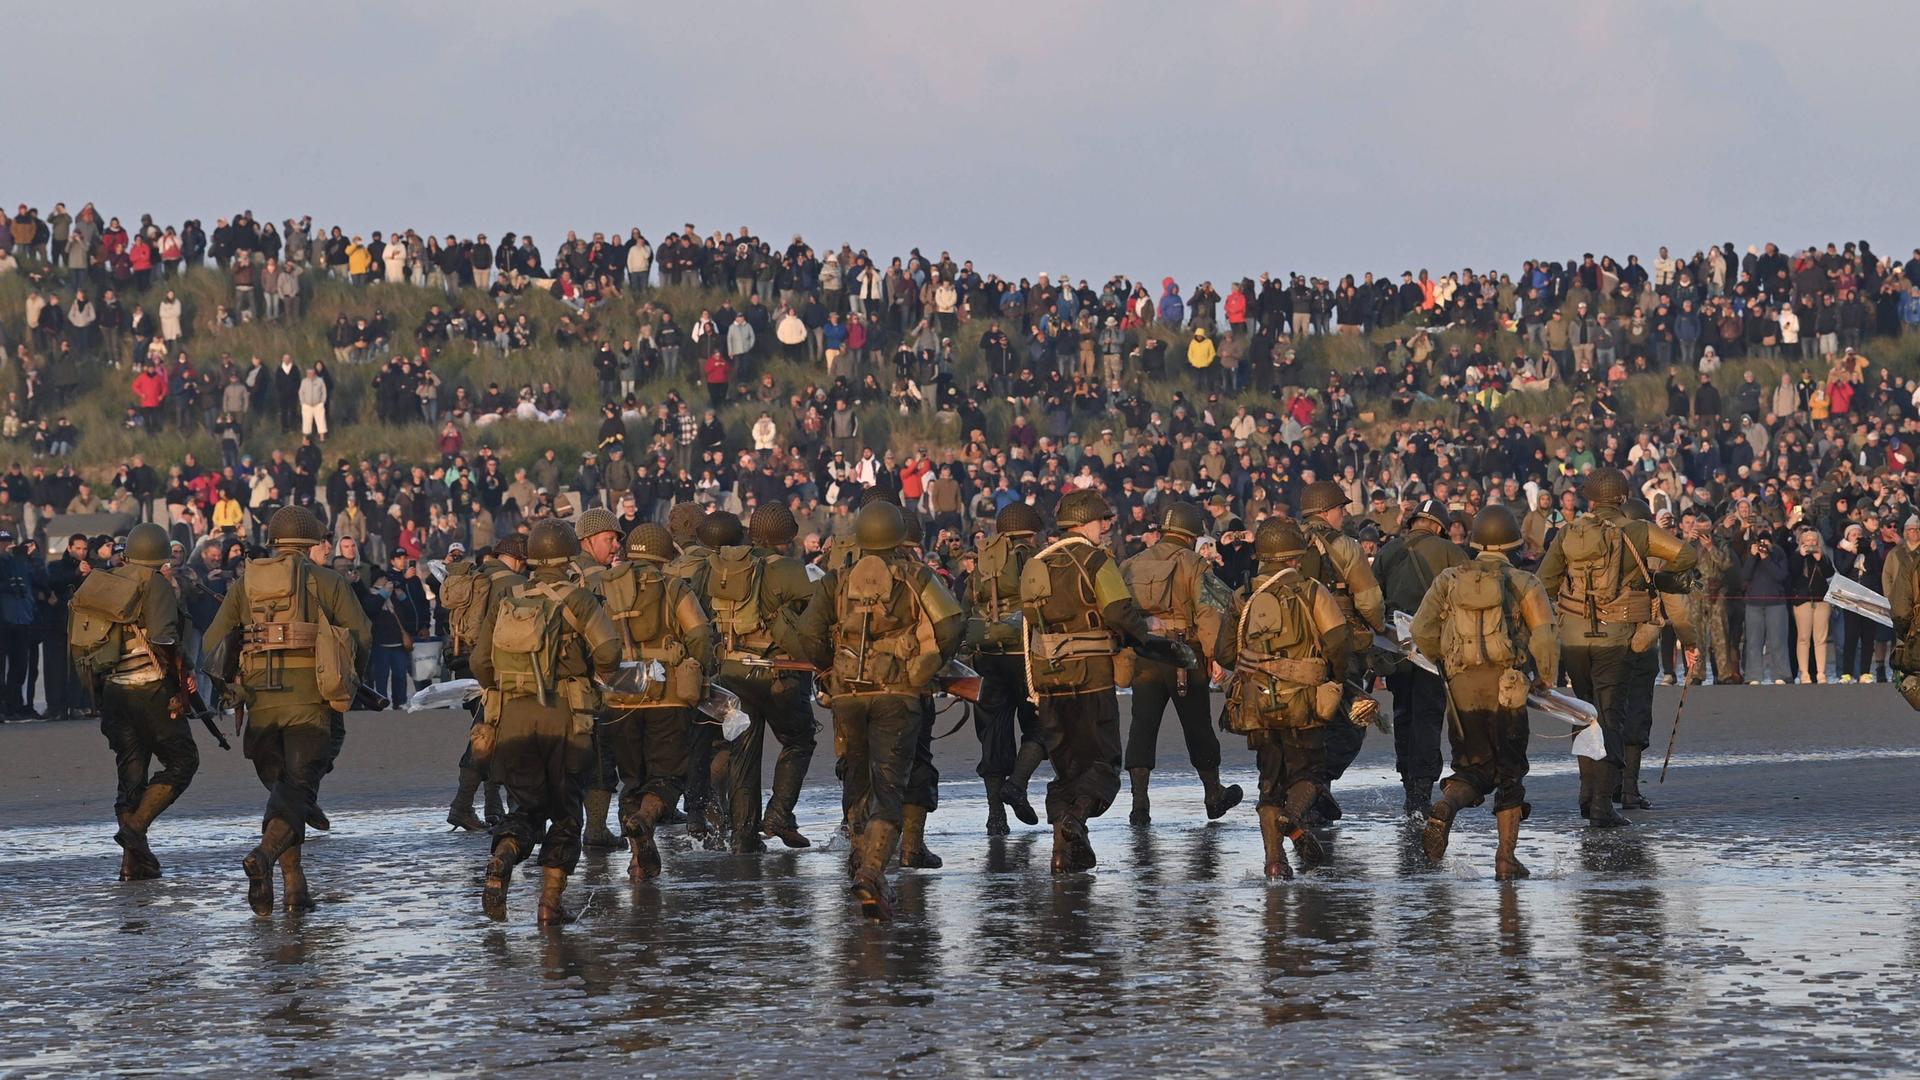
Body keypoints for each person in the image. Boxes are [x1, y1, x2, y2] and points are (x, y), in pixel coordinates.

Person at [781, 501, 963, 920]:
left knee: (857, 777)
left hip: (846, 696)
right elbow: (951, 624)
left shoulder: (837, 579)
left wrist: (830, 667)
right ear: (900, 536)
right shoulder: (917, 576)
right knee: (890, 786)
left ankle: (858, 860)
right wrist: (926, 669)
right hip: (898, 695)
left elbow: (807, 634)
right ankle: (872, 873)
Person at [202, 506, 372, 914]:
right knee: (297, 790)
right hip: (310, 704)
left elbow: (212, 641)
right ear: (312, 543)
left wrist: (231, 689)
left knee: (284, 793)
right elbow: (361, 636)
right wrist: (348, 681)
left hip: (258, 705)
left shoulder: (245, 585)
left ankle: (295, 888)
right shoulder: (328, 580)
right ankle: (262, 856)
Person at [1016, 490, 1191, 874]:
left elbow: (1028, 615)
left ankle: (1064, 854)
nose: (1107, 527)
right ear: (1082, 523)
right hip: (1090, 678)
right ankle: (1075, 819)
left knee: (1067, 768)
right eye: (1101, 521)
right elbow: (1117, 611)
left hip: (1048, 679)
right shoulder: (1096, 561)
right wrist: (1147, 632)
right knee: (1102, 763)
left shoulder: (1037, 563)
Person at [470, 520, 622, 924]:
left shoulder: (509, 597)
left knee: (526, 805)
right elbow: (609, 650)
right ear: (571, 553)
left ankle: (504, 855)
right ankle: (550, 903)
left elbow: (479, 663)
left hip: (511, 720)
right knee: (567, 811)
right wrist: (593, 674)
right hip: (565, 719)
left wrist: (505, 687)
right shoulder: (580, 598)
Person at [1536, 468, 1697, 828]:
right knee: (1611, 716)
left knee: (1582, 712)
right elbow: (1686, 556)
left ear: (1590, 500)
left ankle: (1584, 794)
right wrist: (1649, 579)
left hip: (1573, 638)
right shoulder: (1638, 531)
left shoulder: (1569, 532)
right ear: (1623, 498)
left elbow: (1544, 582)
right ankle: (1600, 807)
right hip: (1616, 636)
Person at [1411, 506, 1559, 880]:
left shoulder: (1449, 578)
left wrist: (1444, 661)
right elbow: (1544, 636)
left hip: (1460, 685)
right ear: (1512, 542)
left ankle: (1446, 805)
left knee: (1470, 766)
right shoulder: (1525, 582)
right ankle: (1505, 858)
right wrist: (1546, 677)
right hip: (1507, 686)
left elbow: (1422, 630)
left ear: (1475, 539)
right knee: (1510, 771)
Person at [67, 523, 200, 881]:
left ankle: (132, 864)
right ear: (159, 555)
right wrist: (182, 679)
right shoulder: (153, 583)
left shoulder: (107, 581)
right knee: (184, 760)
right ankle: (135, 829)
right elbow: (164, 640)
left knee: (131, 775)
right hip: (149, 689)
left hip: (112, 692)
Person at [1218, 517, 1348, 880]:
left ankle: (1274, 863)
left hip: (1258, 706)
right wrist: (1335, 678)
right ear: (1295, 556)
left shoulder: (1242, 597)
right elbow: (1338, 641)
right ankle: (1293, 818)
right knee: (1311, 772)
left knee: (1268, 784)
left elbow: (1224, 653)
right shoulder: (1311, 590)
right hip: (1304, 702)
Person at [597, 523, 714, 880]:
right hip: (669, 700)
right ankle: (646, 819)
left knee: (632, 779)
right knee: (667, 776)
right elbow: (700, 637)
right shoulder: (674, 587)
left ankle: (638, 861)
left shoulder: (603, 587)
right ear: (664, 555)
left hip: (618, 698)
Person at [1119, 500, 1240, 826]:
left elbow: (1121, 612)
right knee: (1197, 725)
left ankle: (1139, 805)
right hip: (1185, 656)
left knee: (1142, 726)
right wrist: (1217, 657)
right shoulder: (1195, 564)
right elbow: (1209, 614)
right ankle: (1213, 795)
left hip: (1145, 655)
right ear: (1190, 535)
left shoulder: (1131, 563)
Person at [1297, 481, 1396, 815]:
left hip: (1293, 648)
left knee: (1307, 722)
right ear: (1326, 511)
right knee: (1350, 725)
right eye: (1341, 508)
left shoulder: (1286, 544)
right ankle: (1315, 788)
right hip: (1339, 645)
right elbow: (1369, 601)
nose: (1344, 513)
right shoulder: (1347, 546)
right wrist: (1380, 627)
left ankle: (1306, 790)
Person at [961, 502, 1046, 835]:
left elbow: (966, 604)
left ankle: (996, 815)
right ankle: (1018, 785)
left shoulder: (983, 561)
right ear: (1030, 531)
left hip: (985, 655)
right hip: (1024, 654)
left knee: (993, 734)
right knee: (1042, 727)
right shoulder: (1033, 560)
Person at [438, 535, 526, 831]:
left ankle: (492, 806)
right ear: (517, 558)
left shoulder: (476, 577)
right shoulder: (511, 584)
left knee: (490, 733)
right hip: (492, 669)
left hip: (463, 665)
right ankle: (464, 806)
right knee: (488, 737)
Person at [572, 506, 625, 850]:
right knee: (603, 757)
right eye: (610, 539)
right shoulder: (598, 580)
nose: (616, 545)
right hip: (594, 683)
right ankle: (595, 829)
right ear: (588, 540)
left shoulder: (564, 572)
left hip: (560, 682)